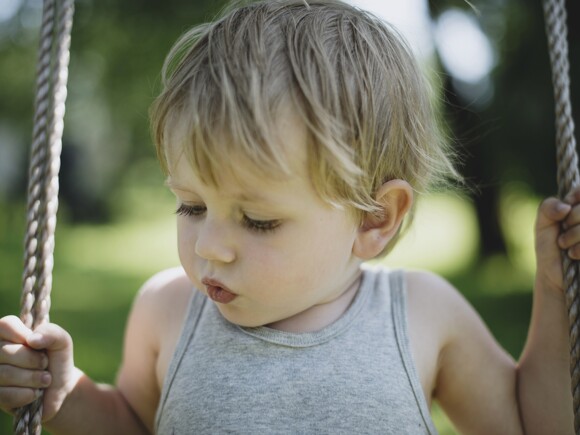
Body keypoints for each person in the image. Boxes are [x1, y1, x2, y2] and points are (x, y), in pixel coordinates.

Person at [0, 0, 575, 433]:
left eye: (258, 220)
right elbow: (130, 424)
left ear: (375, 218)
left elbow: (531, 425)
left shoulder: (423, 315)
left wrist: (557, 291)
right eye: (192, 206)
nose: (210, 248)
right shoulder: (167, 310)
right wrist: (64, 392)